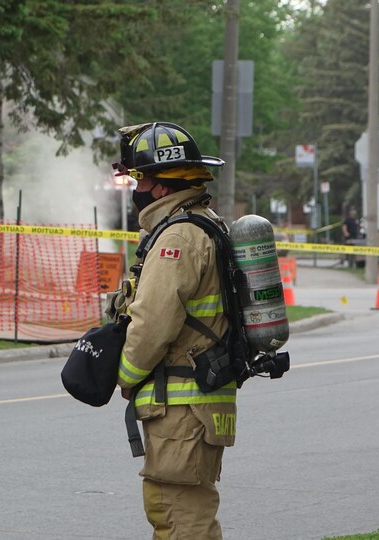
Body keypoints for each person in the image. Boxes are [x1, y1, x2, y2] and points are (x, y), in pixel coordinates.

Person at [111, 122, 237, 540]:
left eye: (140, 178)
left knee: (181, 518)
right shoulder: (200, 223)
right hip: (193, 406)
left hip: (184, 408)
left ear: (162, 186)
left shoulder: (179, 237)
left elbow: (153, 321)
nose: (136, 188)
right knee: (176, 512)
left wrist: (126, 376)